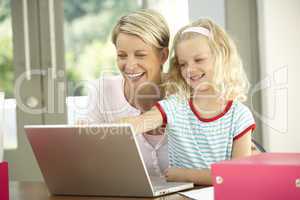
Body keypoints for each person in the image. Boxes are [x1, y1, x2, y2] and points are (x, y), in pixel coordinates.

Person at [118, 19, 256, 185]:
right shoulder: (175, 106)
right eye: (183, 64)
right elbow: (139, 123)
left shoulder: (239, 115)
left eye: (199, 60)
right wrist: (112, 127)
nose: (190, 70)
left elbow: (238, 177)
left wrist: (185, 174)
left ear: (222, 57)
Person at [85, 9, 170, 176]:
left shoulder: (184, 92)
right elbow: (90, 161)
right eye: (122, 56)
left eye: (140, 55)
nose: (129, 66)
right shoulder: (103, 91)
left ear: (163, 56)